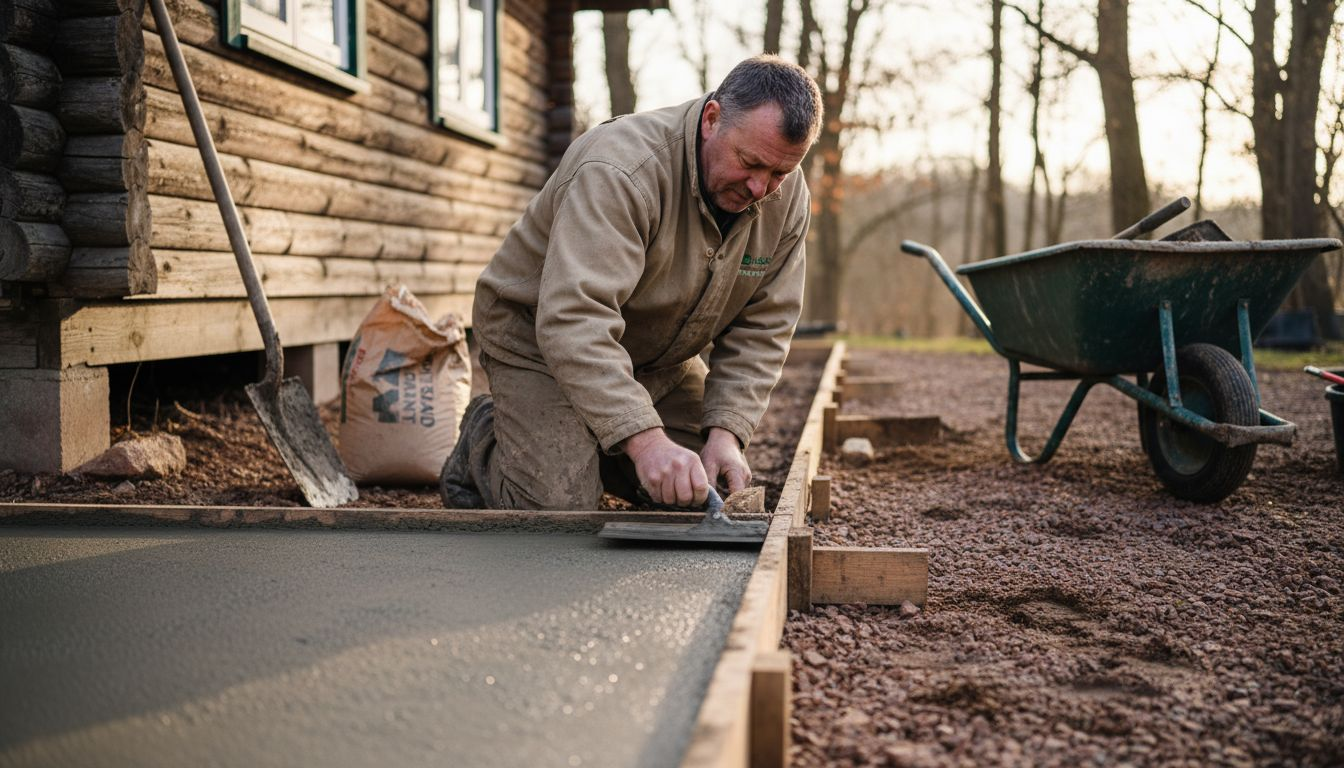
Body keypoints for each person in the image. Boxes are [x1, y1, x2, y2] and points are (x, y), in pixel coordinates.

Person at [440, 55, 823, 511]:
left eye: (779, 173)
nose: (761, 188)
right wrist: (645, 443)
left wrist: (727, 432)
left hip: (655, 354)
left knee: (699, 483)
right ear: (712, 119)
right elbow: (574, 319)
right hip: (538, 338)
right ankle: (487, 437)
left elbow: (763, 328)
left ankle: (587, 437)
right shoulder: (621, 170)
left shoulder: (787, 194)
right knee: (560, 508)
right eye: (750, 162)